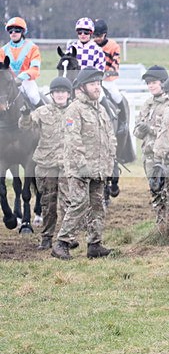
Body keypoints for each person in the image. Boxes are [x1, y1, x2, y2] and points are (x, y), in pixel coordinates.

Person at [51, 67, 116, 260]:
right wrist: (81, 165)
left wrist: (110, 163)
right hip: (79, 169)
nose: (97, 87)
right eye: (93, 84)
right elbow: (73, 139)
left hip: (99, 169)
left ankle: (94, 245)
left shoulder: (101, 109)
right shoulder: (75, 109)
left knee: (97, 206)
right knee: (79, 203)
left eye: (98, 83)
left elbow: (110, 138)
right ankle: (62, 243)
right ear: (82, 87)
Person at [19, 76, 73, 250]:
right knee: (48, 203)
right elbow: (25, 126)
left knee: (68, 202)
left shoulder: (76, 111)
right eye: (56, 92)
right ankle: (47, 237)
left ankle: (67, 237)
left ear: (68, 94)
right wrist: (25, 115)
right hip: (47, 164)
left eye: (63, 92)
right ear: (52, 94)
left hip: (68, 164)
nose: (60, 95)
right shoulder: (42, 111)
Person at [133, 65, 169, 242]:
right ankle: (162, 227)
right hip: (149, 157)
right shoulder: (147, 104)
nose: (151, 86)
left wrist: (150, 129)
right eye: (148, 83)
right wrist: (142, 129)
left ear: (163, 82)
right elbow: (137, 131)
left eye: (154, 82)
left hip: (167, 157)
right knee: (156, 192)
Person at [0, 17, 43, 108]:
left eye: (17, 30)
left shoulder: (32, 48)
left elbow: (35, 68)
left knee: (33, 96)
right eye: (10, 31)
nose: (13, 32)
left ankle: (44, 113)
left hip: (26, 81)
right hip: (7, 81)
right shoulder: (2, 50)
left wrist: (21, 77)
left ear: (22, 32)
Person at [92, 19, 123, 105]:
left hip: (107, 79)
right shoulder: (90, 46)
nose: (96, 39)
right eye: (94, 36)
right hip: (92, 79)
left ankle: (122, 113)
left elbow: (116, 61)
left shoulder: (113, 46)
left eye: (99, 36)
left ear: (104, 34)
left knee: (117, 96)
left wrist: (111, 71)